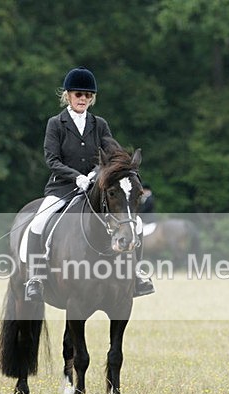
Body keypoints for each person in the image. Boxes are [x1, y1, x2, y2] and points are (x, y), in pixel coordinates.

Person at [24, 66, 154, 301]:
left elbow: (112, 154)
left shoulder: (99, 124)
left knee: (138, 224)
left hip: (96, 190)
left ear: (92, 98)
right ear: (68, 96)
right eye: (78, 94)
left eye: (87, 95)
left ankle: (136, 274)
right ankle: (35, 277)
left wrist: (101, 173)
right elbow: (51, 159)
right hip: (62, 188)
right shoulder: (56, 123)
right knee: (39, 222)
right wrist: (76, 177)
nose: (82, 99)